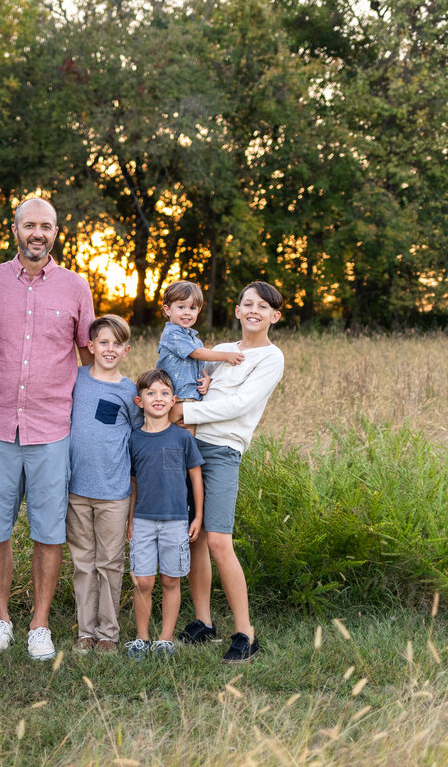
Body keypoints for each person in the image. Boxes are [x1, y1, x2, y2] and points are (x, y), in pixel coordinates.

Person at [0, 196, 96, 660]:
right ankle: (1, 619)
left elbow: (93, 354)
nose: (37, 234)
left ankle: (40, 624)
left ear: (55, 233)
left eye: (45, 226)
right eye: (29, 225)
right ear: (14, 230)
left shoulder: (75, 287)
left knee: (49, 533)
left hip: (52, 430)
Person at [171, 281, 285, 664]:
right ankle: (203, 622)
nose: (254, 310)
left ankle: (245, 633)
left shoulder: (271, 358)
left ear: (274, 316)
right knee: (194, 537)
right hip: (189, 445)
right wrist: (197, 387)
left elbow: (239, 405)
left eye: (263, 306)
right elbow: (194, 381)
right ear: (237, 311)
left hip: (221, 450)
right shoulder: (219, 351)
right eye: (247, 303)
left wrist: (185, 413)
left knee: (219, 540)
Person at [65, 314, 139, 654]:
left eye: (116, 344)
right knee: (83, 562)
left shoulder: (129, 391)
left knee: (110, 562)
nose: (109, 349)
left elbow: (139, 441)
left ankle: (108, 633)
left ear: (126, 350)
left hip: (113, 493)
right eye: (103, 343)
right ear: (91, 346)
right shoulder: (75, 379)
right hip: (76, 489)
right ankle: (85, 631)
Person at [124, 369, 204, 660]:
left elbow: (195, 477)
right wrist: (131, 520)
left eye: (164, 393)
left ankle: (165, 639)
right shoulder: (134, 439)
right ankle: (141, 639)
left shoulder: (182, 438)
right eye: (151, 393)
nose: (158, 398)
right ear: (139, 401)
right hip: (144, 519)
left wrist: (197, 517)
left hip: (176, 520)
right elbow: (133, 483)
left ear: (173, 401)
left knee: (171, 580)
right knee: (142, 582)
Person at [155, 280, 244, 434]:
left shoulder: (195, 340)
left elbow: (198, 362)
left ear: (198, 310)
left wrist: (206, 378)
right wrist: (225, 356)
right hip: (173, 397)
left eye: (193, 308)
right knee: (167, 437)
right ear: (167, 309)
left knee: (188, 440)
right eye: (181, 307)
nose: (187, 312)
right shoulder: (172, 334)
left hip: (191, 398)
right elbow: (196, 353)